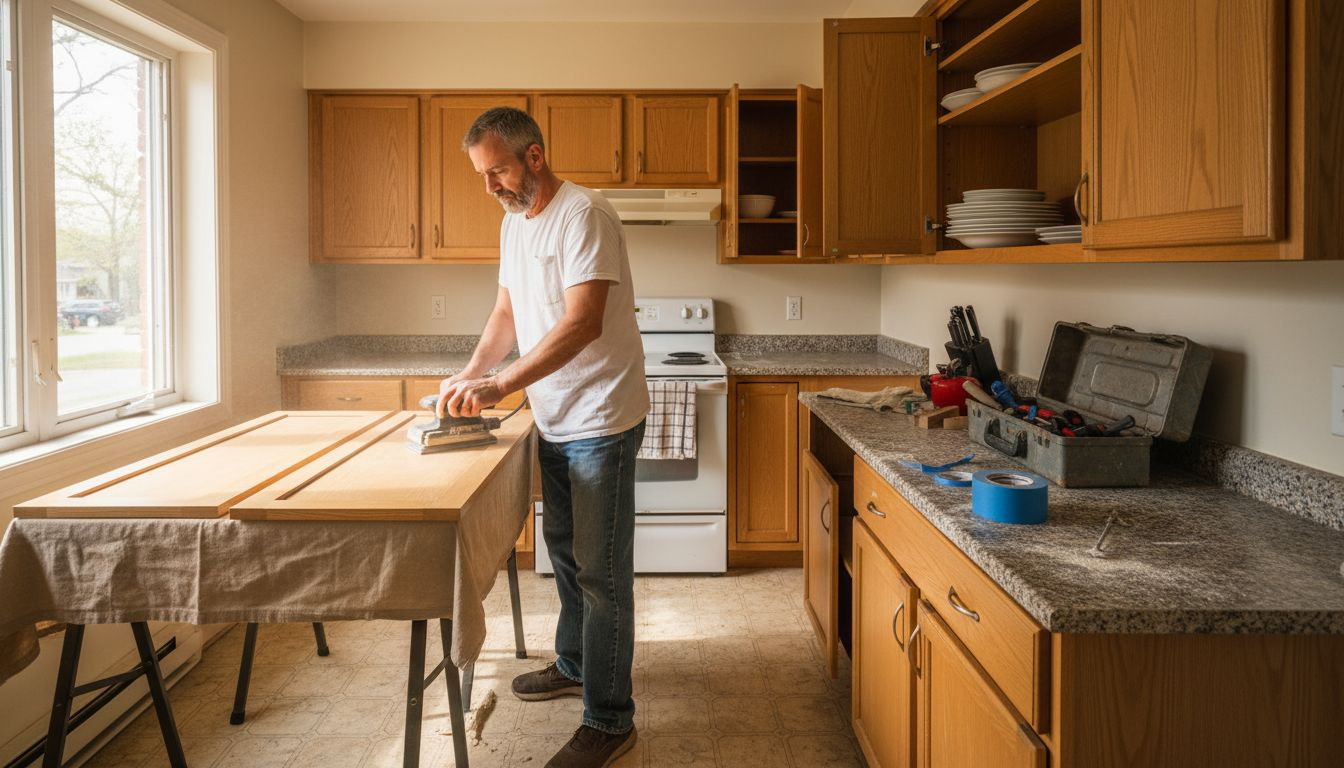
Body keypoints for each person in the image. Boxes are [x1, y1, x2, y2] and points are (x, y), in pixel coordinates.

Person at [437, 106, 648, 768]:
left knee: (601, 573)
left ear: (533, 156)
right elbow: (507, 312)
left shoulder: (585, 214)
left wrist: (501, 385)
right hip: (554, 415)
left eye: (497, 170)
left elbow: (583, 322)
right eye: (482, 174)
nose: (490, 186)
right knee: (562, 553)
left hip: (601, 418)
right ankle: (576, 663)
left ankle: (610, 719)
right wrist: (472, 373)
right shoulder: (514, 222)